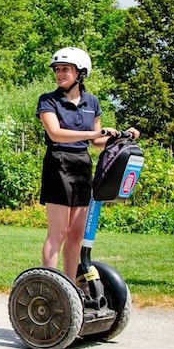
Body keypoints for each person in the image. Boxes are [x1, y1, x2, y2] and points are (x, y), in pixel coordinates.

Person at [36, 47, 139, 283]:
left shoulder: (92, 102)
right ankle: (50, 285)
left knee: (75, 234)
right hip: (58, 163)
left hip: (82, 165)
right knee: (58, 233)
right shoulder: (48, 100)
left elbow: (96, 142)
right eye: (57, 70)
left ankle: (69, 286)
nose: (59, 74)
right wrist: (96, 132)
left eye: (65, 69)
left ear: (80, 73)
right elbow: (56, 134)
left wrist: (122, 136)